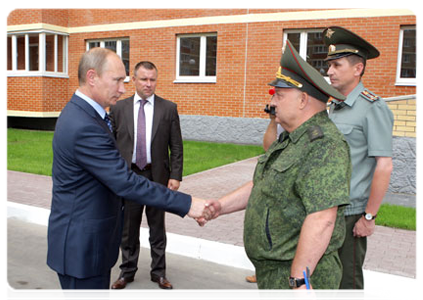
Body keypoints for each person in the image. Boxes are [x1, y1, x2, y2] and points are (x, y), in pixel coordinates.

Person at [47, 47, 206, 300]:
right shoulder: (83, 125)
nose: (122, 89)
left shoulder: (90, 115)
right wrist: (187, 203)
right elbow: (124, 181)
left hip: (91, 246)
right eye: (117, 80)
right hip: (81, 250)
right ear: (92, 77)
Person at [202, 40, 352, 300]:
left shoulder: (324, 145)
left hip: (299, 277)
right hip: (275, 273)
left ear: (304, 99)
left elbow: (322, 218)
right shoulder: (291, 138)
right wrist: (221, 206)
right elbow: (265, 184)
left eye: (279, 95)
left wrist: (299, 282)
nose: (272, 101)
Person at [323, 26, 394, 300]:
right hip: (326, 208)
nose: (329, 71)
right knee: (324, 278)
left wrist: (369, 216)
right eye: (329, 65)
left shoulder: (372, 107)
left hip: (351, 214)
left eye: (336, 65)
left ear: (358, 68)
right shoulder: (333, 108)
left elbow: (384, 165)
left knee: (347, 287)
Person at [109, 61, 183, 292]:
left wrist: (176, 175)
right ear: (134, 79)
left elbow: (176, 145)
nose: (148, 84)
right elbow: (110, 145)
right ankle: (127, 272)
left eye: (152, 79)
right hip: (129, 176)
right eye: (144, 79)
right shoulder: (119, 109)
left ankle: (158, 273)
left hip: (157, 176)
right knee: (128, 228)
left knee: (157, 227)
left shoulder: (168, 108)